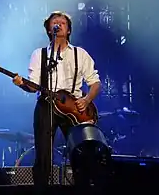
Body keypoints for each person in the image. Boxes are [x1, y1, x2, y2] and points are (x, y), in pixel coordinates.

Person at [12, 11, 101, 189]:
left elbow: (95, 83)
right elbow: (33, 85)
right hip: (46, 104)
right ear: (49, 29)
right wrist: (21, 84)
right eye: (55, 22)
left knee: (81, 153)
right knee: (43, 155)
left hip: (75, 108)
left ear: (68, 30)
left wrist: (86, 99)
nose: (58, 24)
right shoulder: (40, 54)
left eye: (63, 23)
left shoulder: (80, 53)